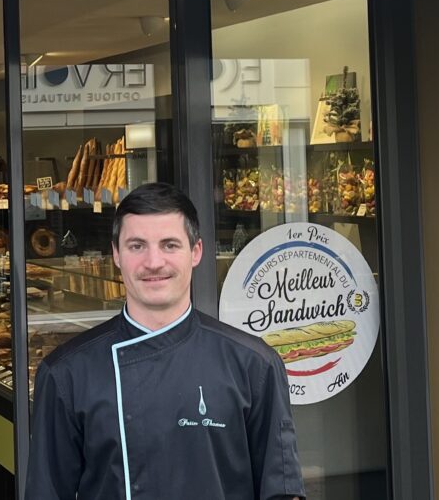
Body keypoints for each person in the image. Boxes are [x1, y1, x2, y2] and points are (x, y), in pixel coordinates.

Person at [26, 182, 305, 500]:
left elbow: (282, 492)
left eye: (170, 245)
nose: (153, 262)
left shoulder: (255, 364)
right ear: (116, 254)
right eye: (136, 246)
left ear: (196, 252)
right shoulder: (67, 374)